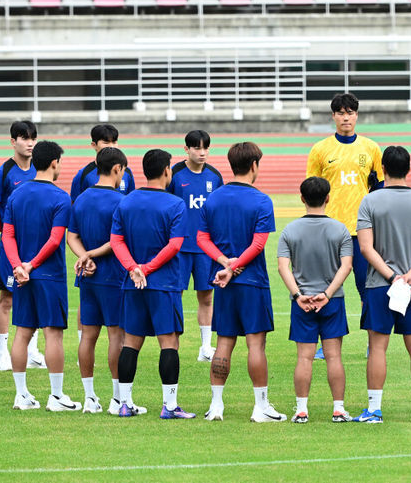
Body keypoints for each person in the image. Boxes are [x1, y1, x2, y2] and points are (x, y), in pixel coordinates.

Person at [197, 142, 286, 422]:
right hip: (252, 280)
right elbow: (258, 244)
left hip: (222, 282)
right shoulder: (261, 201)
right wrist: (235, 265)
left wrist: (224, 263)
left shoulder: (213, 199)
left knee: (224, 342)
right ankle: (260, 407)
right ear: (254, 165)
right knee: (255, 345)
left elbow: (201, 238)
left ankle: (216, 405)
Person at [352, 146, 411, 423]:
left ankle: (374, 410)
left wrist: (391, 277)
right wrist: (410, 275)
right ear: (409, 169)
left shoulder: (370, 201)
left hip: (380, 285)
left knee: (378, 347)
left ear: (384, 170)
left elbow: (365, 248)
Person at [110, 149, 195, 419]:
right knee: (169, 342)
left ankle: (125, 403)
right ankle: (169, 406)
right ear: (167, 171)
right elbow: (175, 245)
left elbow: (116, 241)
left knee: (131, 342)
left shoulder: (126, 202)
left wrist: (133, 268)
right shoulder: (175, 204)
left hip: (133, 283)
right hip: (164, 284)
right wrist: (146, 268)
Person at [2, 140, 80, 412]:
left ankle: (21, 394)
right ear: (54, 163)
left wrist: (18, 266)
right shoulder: (60, 198)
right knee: (53, 334)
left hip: (22, 276)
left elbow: (7, 235)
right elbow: (55, 239)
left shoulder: (16, 195)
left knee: (23, 332)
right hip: (48, 275)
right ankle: (56, 396)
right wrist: (31, 265)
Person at [306, 93, 384, 359]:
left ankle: (372, 342)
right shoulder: (320, 149)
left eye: (350, 112)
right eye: (340, 112)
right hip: (329, 230)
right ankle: (324, 343)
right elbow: (311, 189)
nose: (345, 117)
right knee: (324, 287)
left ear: (357, 115)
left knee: (368, 289)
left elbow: (380, 188)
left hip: (362, 231)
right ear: (333, 116)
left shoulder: (371, 148)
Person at [277, 177, 354, 423]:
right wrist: (328, 293)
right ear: (328, 198)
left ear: (302, 198)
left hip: (303, 303)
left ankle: (301, 409)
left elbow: (283, 267)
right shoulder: (340, 229)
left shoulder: (290, 230)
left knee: (304, 357)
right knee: (333, 356)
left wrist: (298, 295)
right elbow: (346, 266)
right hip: (332, 301)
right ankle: (338, 409)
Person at [67, 147, 129, 414]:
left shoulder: (81, 199)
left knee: (88, 335)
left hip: (88, 277)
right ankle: (118, 398)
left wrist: (84, 258)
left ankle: (89, 397)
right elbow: (118, 242)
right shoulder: (121, 201)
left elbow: (72, 236)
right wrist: (92, 255)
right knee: (117, 335)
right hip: (113, 276)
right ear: (117, 169)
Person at [0, 120, 43, 372]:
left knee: (36, 295)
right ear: (12, 141)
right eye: (24, 138)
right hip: (12, 247)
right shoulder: (4, 172)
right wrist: (8, 233)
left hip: (36, 246)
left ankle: (32, 351)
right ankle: (2, 354)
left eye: (33, 138)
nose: (29, 143)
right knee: (7, 298)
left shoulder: (39, 169)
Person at [168, 130, 224, 362]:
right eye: (197, 148)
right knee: (176, 294)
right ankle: (172, 343)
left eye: (206, 148)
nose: (202, 153)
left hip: (205, 249)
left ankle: (205, 347)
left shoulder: (215, 176)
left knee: (206, 296)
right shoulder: (174, 174)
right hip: (179, 248)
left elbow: (218, 211)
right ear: (186, 149)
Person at [69, 124, 136, 201]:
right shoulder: (83, 174)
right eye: (106, 143)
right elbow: (75, 204)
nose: (111, 146)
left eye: (114, 142)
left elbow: (131, 202)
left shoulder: (126, 172)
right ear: (94, 145)